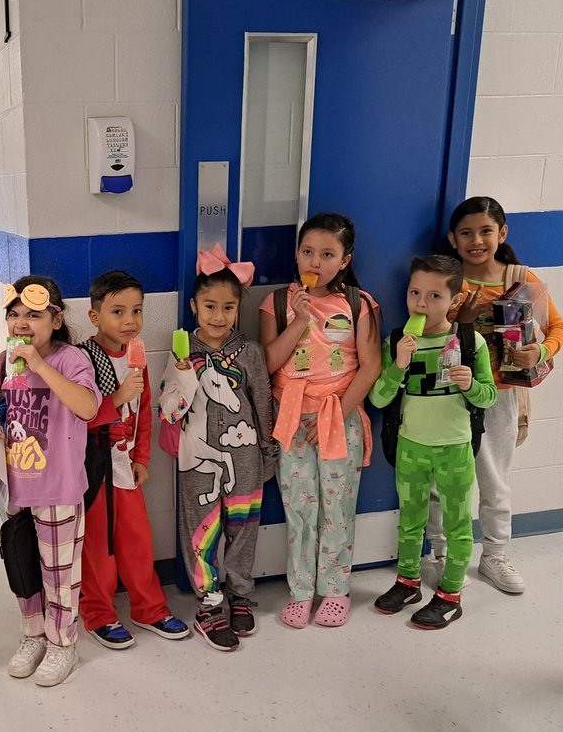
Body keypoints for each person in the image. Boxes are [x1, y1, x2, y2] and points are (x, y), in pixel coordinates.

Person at [425, 196, 563, 594]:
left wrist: (539, 350)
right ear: (453, 238)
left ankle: (494, 555)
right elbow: (423, 327)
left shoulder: (520, 278)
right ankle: (439, 552)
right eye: (467, 233)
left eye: (486, 231)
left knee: (493, 478)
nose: (477, 240)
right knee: (443, 478)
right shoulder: (446, 277)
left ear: (501, 234)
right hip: (448, 393)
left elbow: (558, 328)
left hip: (500, 394)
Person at [258, 214, 381, 629]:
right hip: (290, 417)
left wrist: (335, 414)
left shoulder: (359, 304)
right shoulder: (276, 301)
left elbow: (370, 367)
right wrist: (299, 319)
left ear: (344, 260)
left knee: (337, 508)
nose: (315, 261)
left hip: (339, 416)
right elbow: (269, 363)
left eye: (327, 254)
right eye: (307, 251)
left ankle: (335, 590)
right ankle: (300, 590)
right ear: (296, 254)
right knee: (300, 508)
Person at [0, 276, 101, 686]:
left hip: (58, 487)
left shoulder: (71, 360)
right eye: (14, 315)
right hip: (17, 488)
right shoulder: (0, 364)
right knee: (24, 567)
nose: (21, 323)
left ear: (56, 319)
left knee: (60, 573)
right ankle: (33, 634)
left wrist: (38, 365)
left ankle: (62, 644)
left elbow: (87, 407)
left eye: (33, 315)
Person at [158, 249, 278, 651]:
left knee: (242, 528)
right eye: (210, 306)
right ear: (194, 306)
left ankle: (240, 593)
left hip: (245, 458)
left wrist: (268, 452)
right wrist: (182, 376)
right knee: (202, 530)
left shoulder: (250, 353)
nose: (219, 316)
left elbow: (263, 403)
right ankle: (209, 602)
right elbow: (169, 408)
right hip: (197, 462)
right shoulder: (181, 350)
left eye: (228, 307)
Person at [369, 255, 497, 629]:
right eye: (414, 293)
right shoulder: (397, 340)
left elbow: (489, 397)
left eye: (434, 295)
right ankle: (407, 581)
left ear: (455, 301)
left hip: (455, 448)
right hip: (411, 446)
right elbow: (378, 398)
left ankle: (450, 593)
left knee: (457, 523)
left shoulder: (470, 342)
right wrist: (398, 365)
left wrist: (469, 384)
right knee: (410, 521)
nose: (421, 304)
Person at [77, 270, 189, 650]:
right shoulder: (82, 359)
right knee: (99, 545)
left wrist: (143, 457)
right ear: (95, 317)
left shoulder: (137, 356)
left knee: (137, 540)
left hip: (126, 465)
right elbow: (80, 416)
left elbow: (144, 413)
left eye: (137, 311)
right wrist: (117, 398)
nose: (129, 321)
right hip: (93, 467)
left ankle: (149, 607)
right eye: (118, 312)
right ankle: (98, 612)